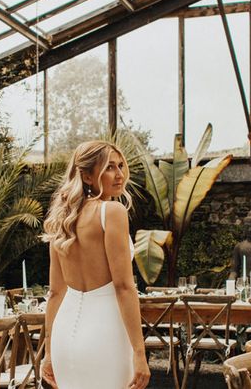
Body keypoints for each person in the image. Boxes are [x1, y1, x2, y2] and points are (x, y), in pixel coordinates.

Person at [41, 141, 150, 389]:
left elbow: (56, 292)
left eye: (121, 166)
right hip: (105, 332)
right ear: (88, 176)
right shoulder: (112, 212)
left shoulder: (61, 218)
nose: (120, 174)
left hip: (64, 337)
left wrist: (49, 352)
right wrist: (140, 353)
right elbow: (124, 286)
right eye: (109, 167)